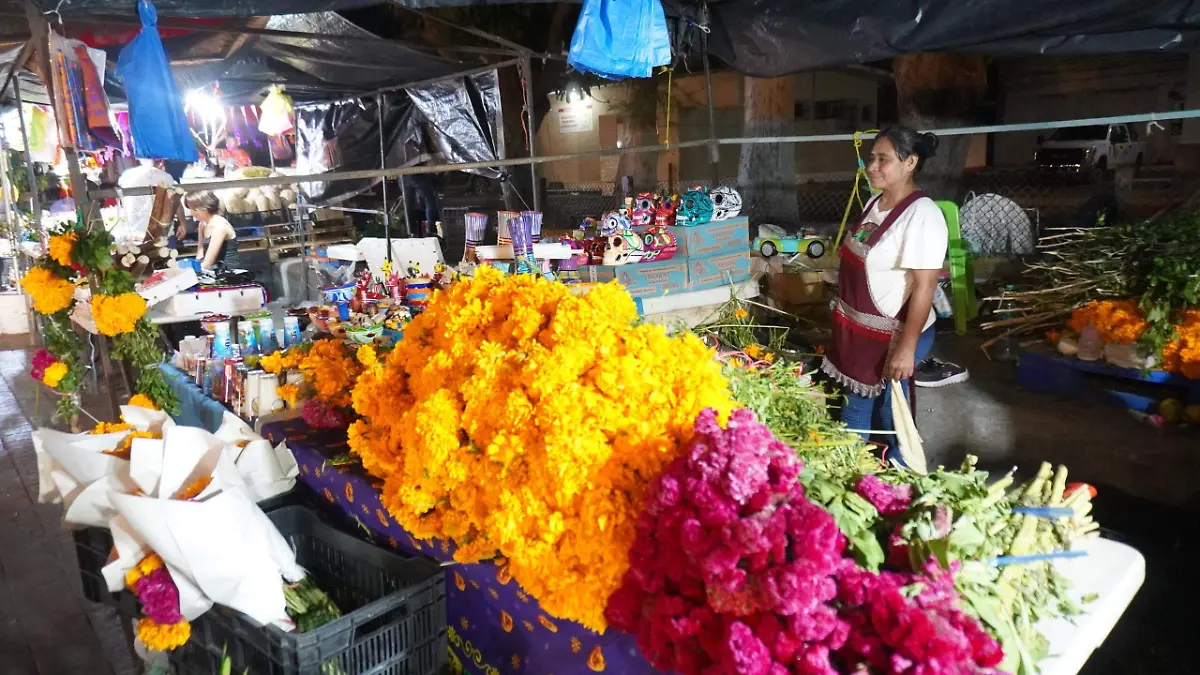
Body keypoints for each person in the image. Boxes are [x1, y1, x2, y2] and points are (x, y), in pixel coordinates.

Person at [821, 126, 948, 464]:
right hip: (859, 332)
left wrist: (906, 350)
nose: (872, 166)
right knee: (881, 408)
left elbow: (924, 286)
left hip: (893, 334)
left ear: (910, 162)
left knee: (862, 410)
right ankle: (884, 471)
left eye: (883, 160)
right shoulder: (876, 203)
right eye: (871, 158)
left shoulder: (923, 215)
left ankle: (858, 474)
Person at [184, 190, 240, 272]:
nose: (191, 213)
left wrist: (191, 272)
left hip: (227, 273)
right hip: (212, 271)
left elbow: (208, 263)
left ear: (205, 207)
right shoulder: (202, 224)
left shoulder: (220, 226)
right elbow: (200, 253)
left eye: (194, 209)